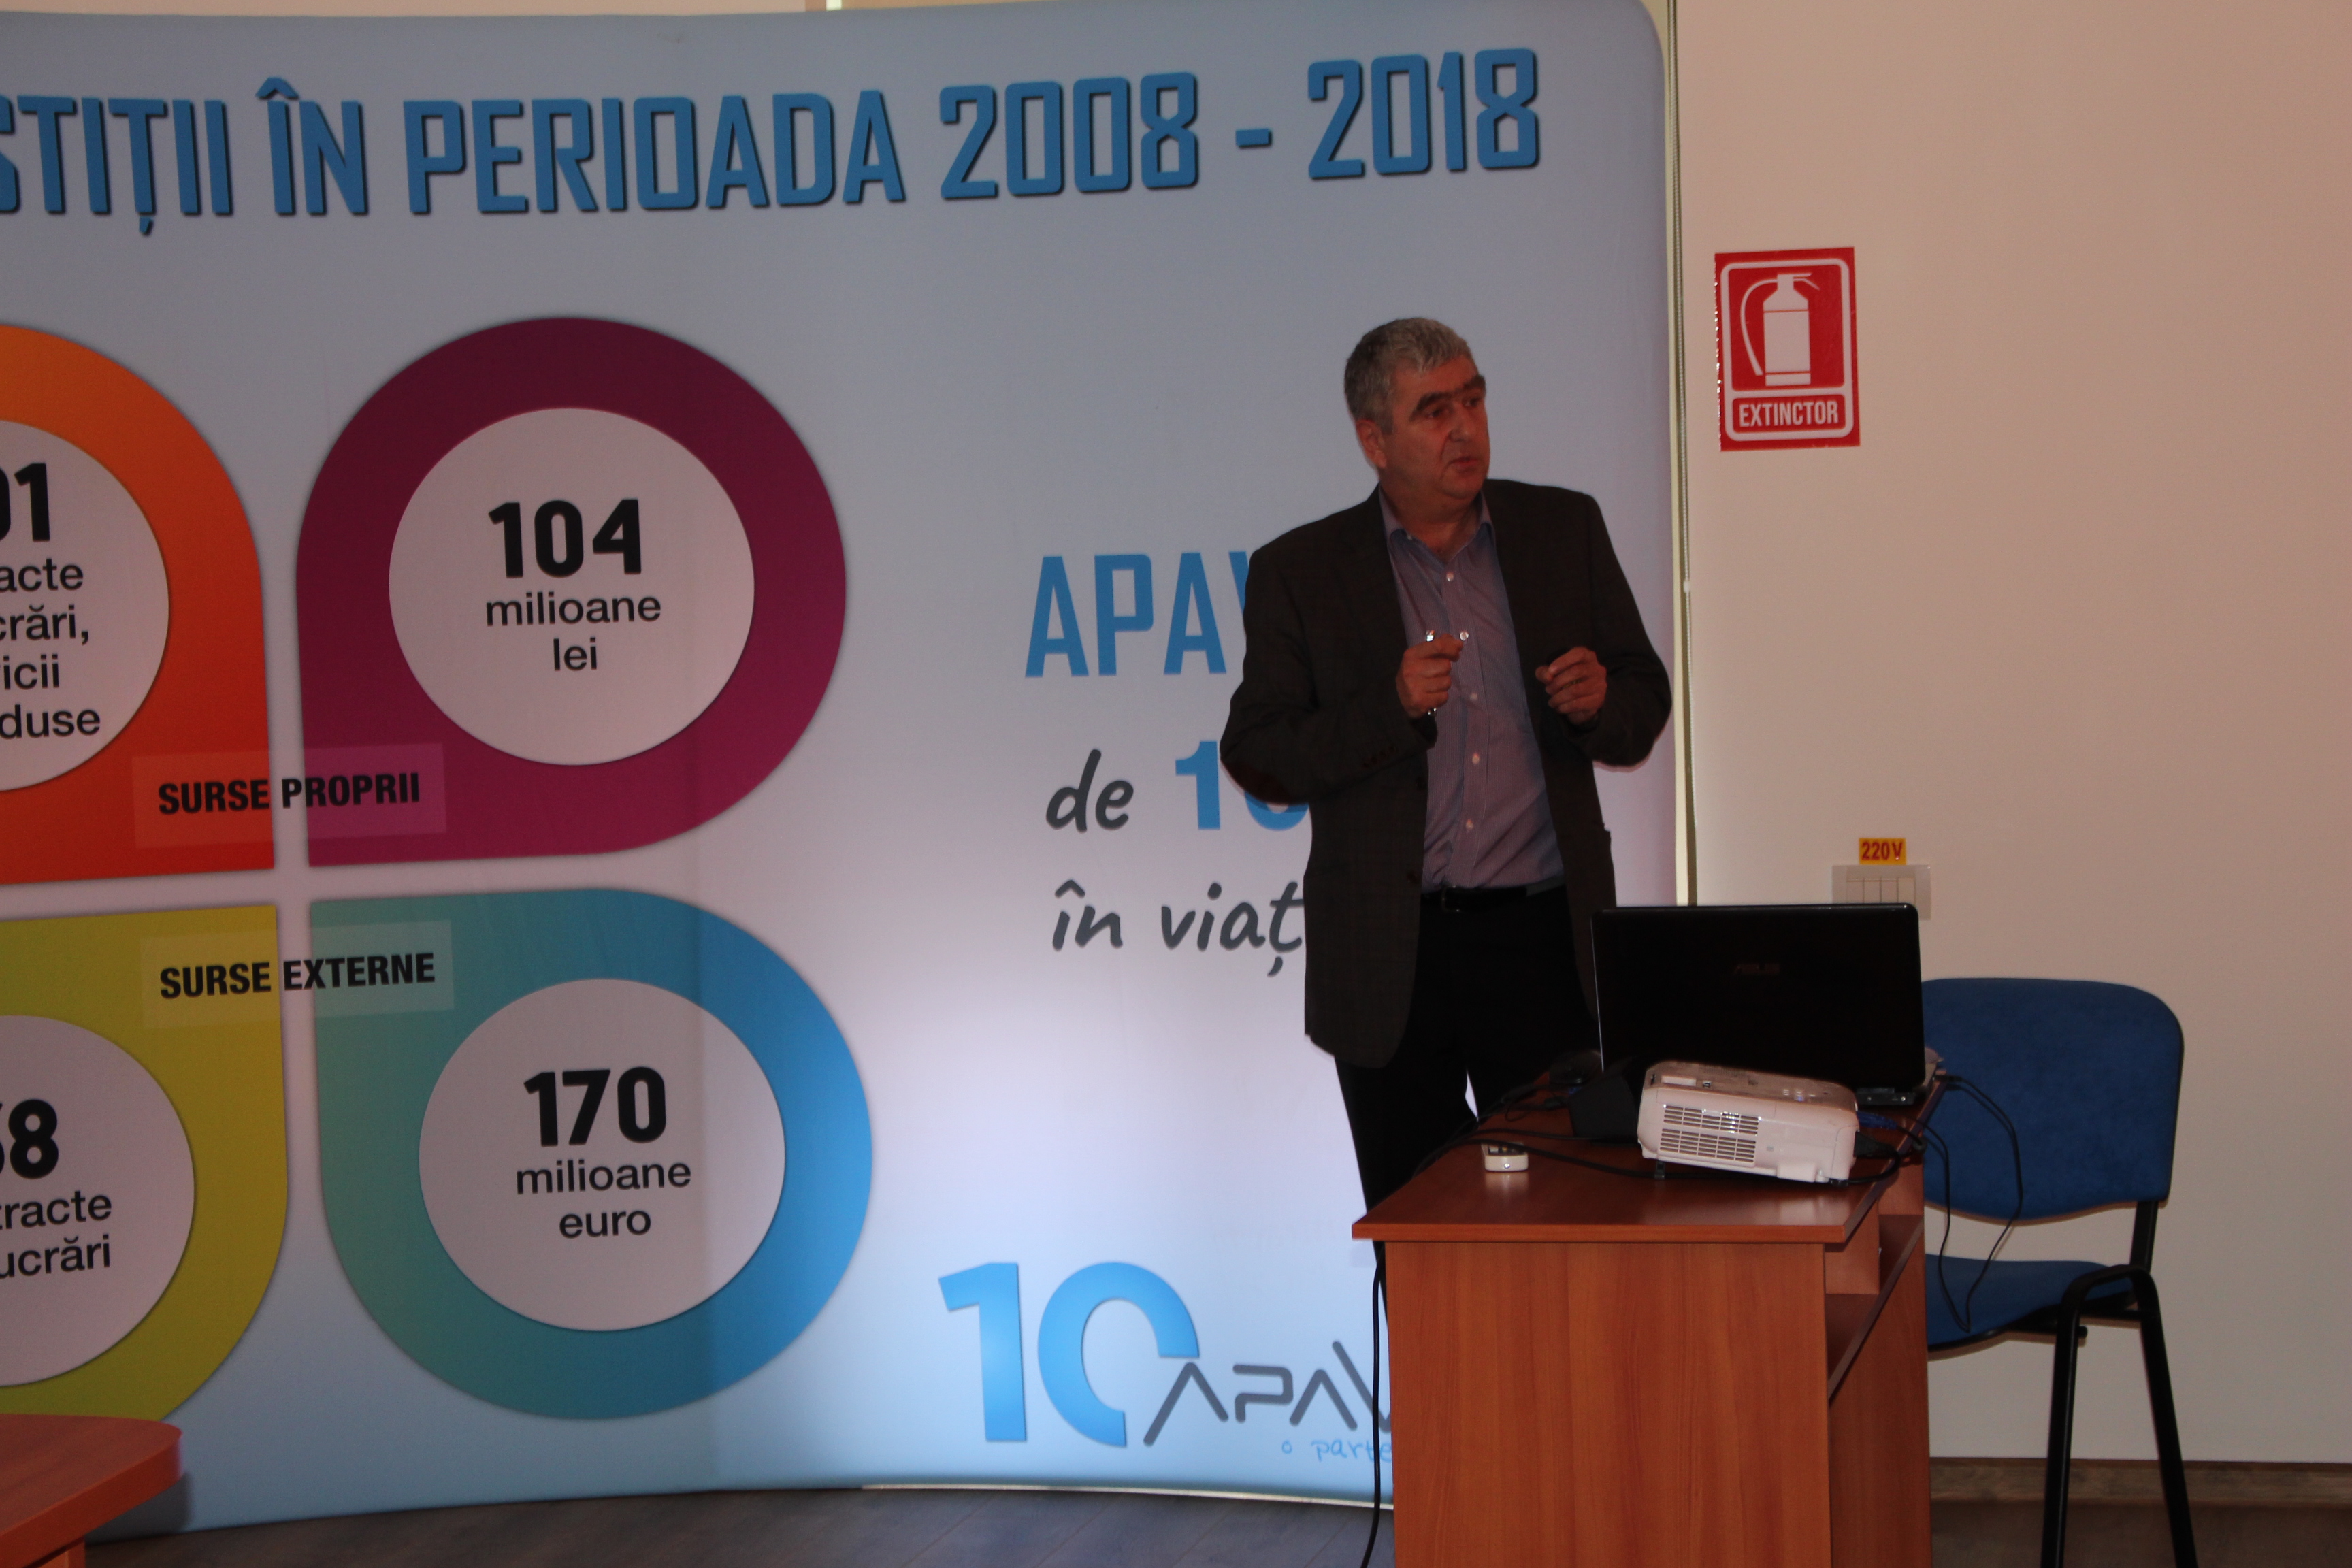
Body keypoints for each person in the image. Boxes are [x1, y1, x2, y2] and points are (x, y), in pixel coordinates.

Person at [1220, 318, 1671, 1210]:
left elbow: (1641, 698)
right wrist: (1386, 708)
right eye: (1434, 411)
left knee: (1563, 1223)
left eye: (1473, 399)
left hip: (1541, 945)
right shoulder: (1302, 572)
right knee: (1417, 1230)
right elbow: (1259, 754)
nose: (1464, 426)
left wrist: (1598, 704)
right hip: (1392, 956)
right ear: (1374, 440)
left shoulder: (1562, 530)